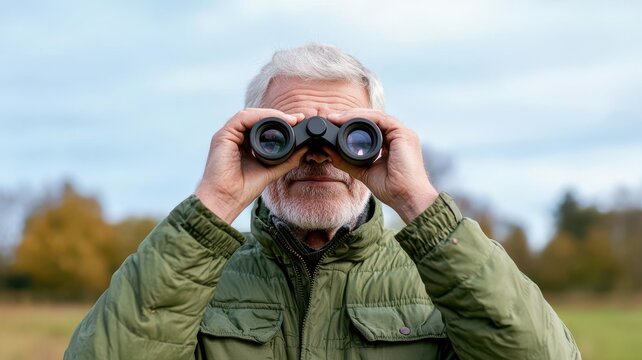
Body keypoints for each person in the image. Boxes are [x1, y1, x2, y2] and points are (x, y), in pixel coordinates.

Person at [65, 43, 581, 359]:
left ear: (384, 139)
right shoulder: (199, 278)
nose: (318, 156)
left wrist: (421, 203)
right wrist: (213, 206)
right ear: (248, 141)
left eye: (349, 137)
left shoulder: (435, 279)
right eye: (281, 136)